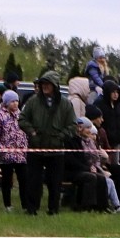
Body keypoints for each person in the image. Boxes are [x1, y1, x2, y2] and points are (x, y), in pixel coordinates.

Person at [18, 70, 75, 216]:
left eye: (47, 84)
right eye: (42, 83)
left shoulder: (66, 104)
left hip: (56, 149)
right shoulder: (33, 101)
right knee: (33, 181)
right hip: (36, 147)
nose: (44, 86)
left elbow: (72, 125)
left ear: (55, 85)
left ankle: (53, 209)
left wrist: (61, 136)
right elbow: (22, 119)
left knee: (55, 182)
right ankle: (32, 209)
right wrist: (32, 132)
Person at [0, 89, 28, 212]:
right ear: (6, 102)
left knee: (23, 180)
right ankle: (7, 205)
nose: (15, 103)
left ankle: (25, 205)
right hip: (6, 155)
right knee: (7, 181)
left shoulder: (21, 115)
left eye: (17, 101)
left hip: (21, 154)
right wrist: (0, 148)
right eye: (12, 101)